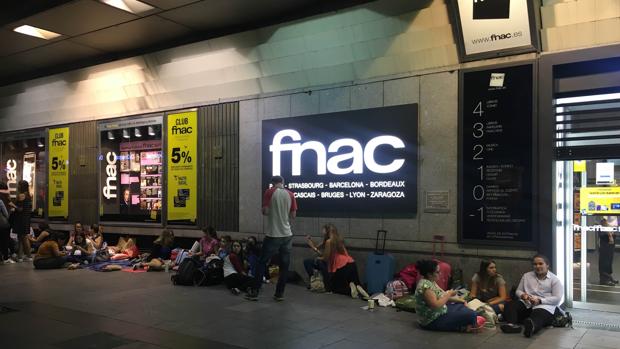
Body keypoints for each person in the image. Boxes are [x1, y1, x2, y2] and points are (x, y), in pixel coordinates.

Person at [245, 175, 297, 301]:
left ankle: (254, 291)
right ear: (282, 182)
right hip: (287, 235)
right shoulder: (290, 194)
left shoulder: (269, 192)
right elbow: (293, 215)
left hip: (273, 234)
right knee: (284, 265)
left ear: (272, 183)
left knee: (262, 262)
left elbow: (265, 212)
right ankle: (279, 294)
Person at [500, 254, 564, 337]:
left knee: (539, 315)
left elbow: (557, 298)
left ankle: (531, 327)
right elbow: (518, 291)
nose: (537, 266)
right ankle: (512, 325)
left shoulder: (554, 280)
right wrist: (523, 295)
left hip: (544, 306)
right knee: (510, 305)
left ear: (547, 265)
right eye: (535, 264)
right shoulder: (526, 276)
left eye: (540, 264)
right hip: (527, 303)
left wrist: (540, 300)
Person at [414, 259, 484, 332]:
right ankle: (466, 326)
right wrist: (449, 294)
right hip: (432, 320)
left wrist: (461, 300)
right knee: (471, 314)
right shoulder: (426, 286)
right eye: (437, 272)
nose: (440, 274)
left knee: (461, 306)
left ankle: (466, 324)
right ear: (429, 274)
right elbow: (436, 304)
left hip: (440, 311)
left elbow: (442, 295)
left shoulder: (431, 281)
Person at [8, 180, 33, 262]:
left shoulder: (21, 195)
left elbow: (20, 209)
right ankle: (20, 256)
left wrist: (12, 204)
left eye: (18, 185)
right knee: (21, 237)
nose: (17, 186)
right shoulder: (28, 195)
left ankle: (28, 256)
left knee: (23, 237)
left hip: (21, 219)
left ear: (21, 186)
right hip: (25, 218)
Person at [598, 218, 618, 286]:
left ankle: (609, 277)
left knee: (609, 258)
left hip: (611, 233)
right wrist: (609, 235)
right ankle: (604, 279)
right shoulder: (607, 208)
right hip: (606, 235)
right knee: (605, 258)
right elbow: (603, 221)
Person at [0, 182, 12, 264]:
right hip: (3, 225)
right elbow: (6, 214)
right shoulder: (3, 199)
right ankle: (5, 258)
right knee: (4, 241)